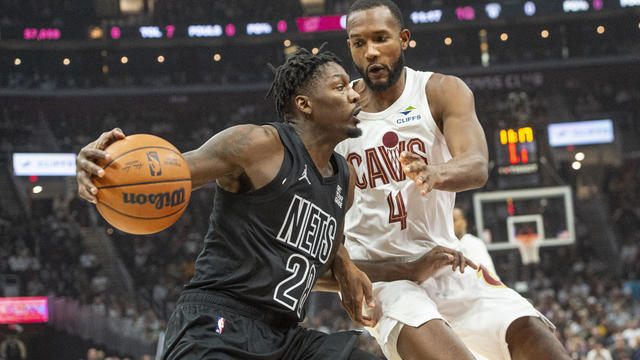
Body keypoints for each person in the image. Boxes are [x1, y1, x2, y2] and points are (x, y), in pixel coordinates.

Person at [75, 47, 473, 360]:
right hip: (217, 322)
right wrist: (102, 171)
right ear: (305, 104)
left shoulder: (344, 182)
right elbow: (173, 171)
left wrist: (398, 268)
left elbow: (324, 267)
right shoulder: (258, 145)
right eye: (339, 87)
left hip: (285, 336)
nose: (354, 92)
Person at [333, 1, 571, 359]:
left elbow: (476, 165)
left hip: (441, 260)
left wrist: (436, 172)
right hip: (382, 278)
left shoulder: (440, 91)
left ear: (404, 39)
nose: (371, 52)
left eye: (381, 38)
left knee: (534, 334)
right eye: (358, 43)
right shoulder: (338, 111)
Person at [453, 207, 498, 277]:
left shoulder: (474, 243)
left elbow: (486, 273)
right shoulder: (443, 245)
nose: (451, 224)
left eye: (454, 220)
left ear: (464, 223)